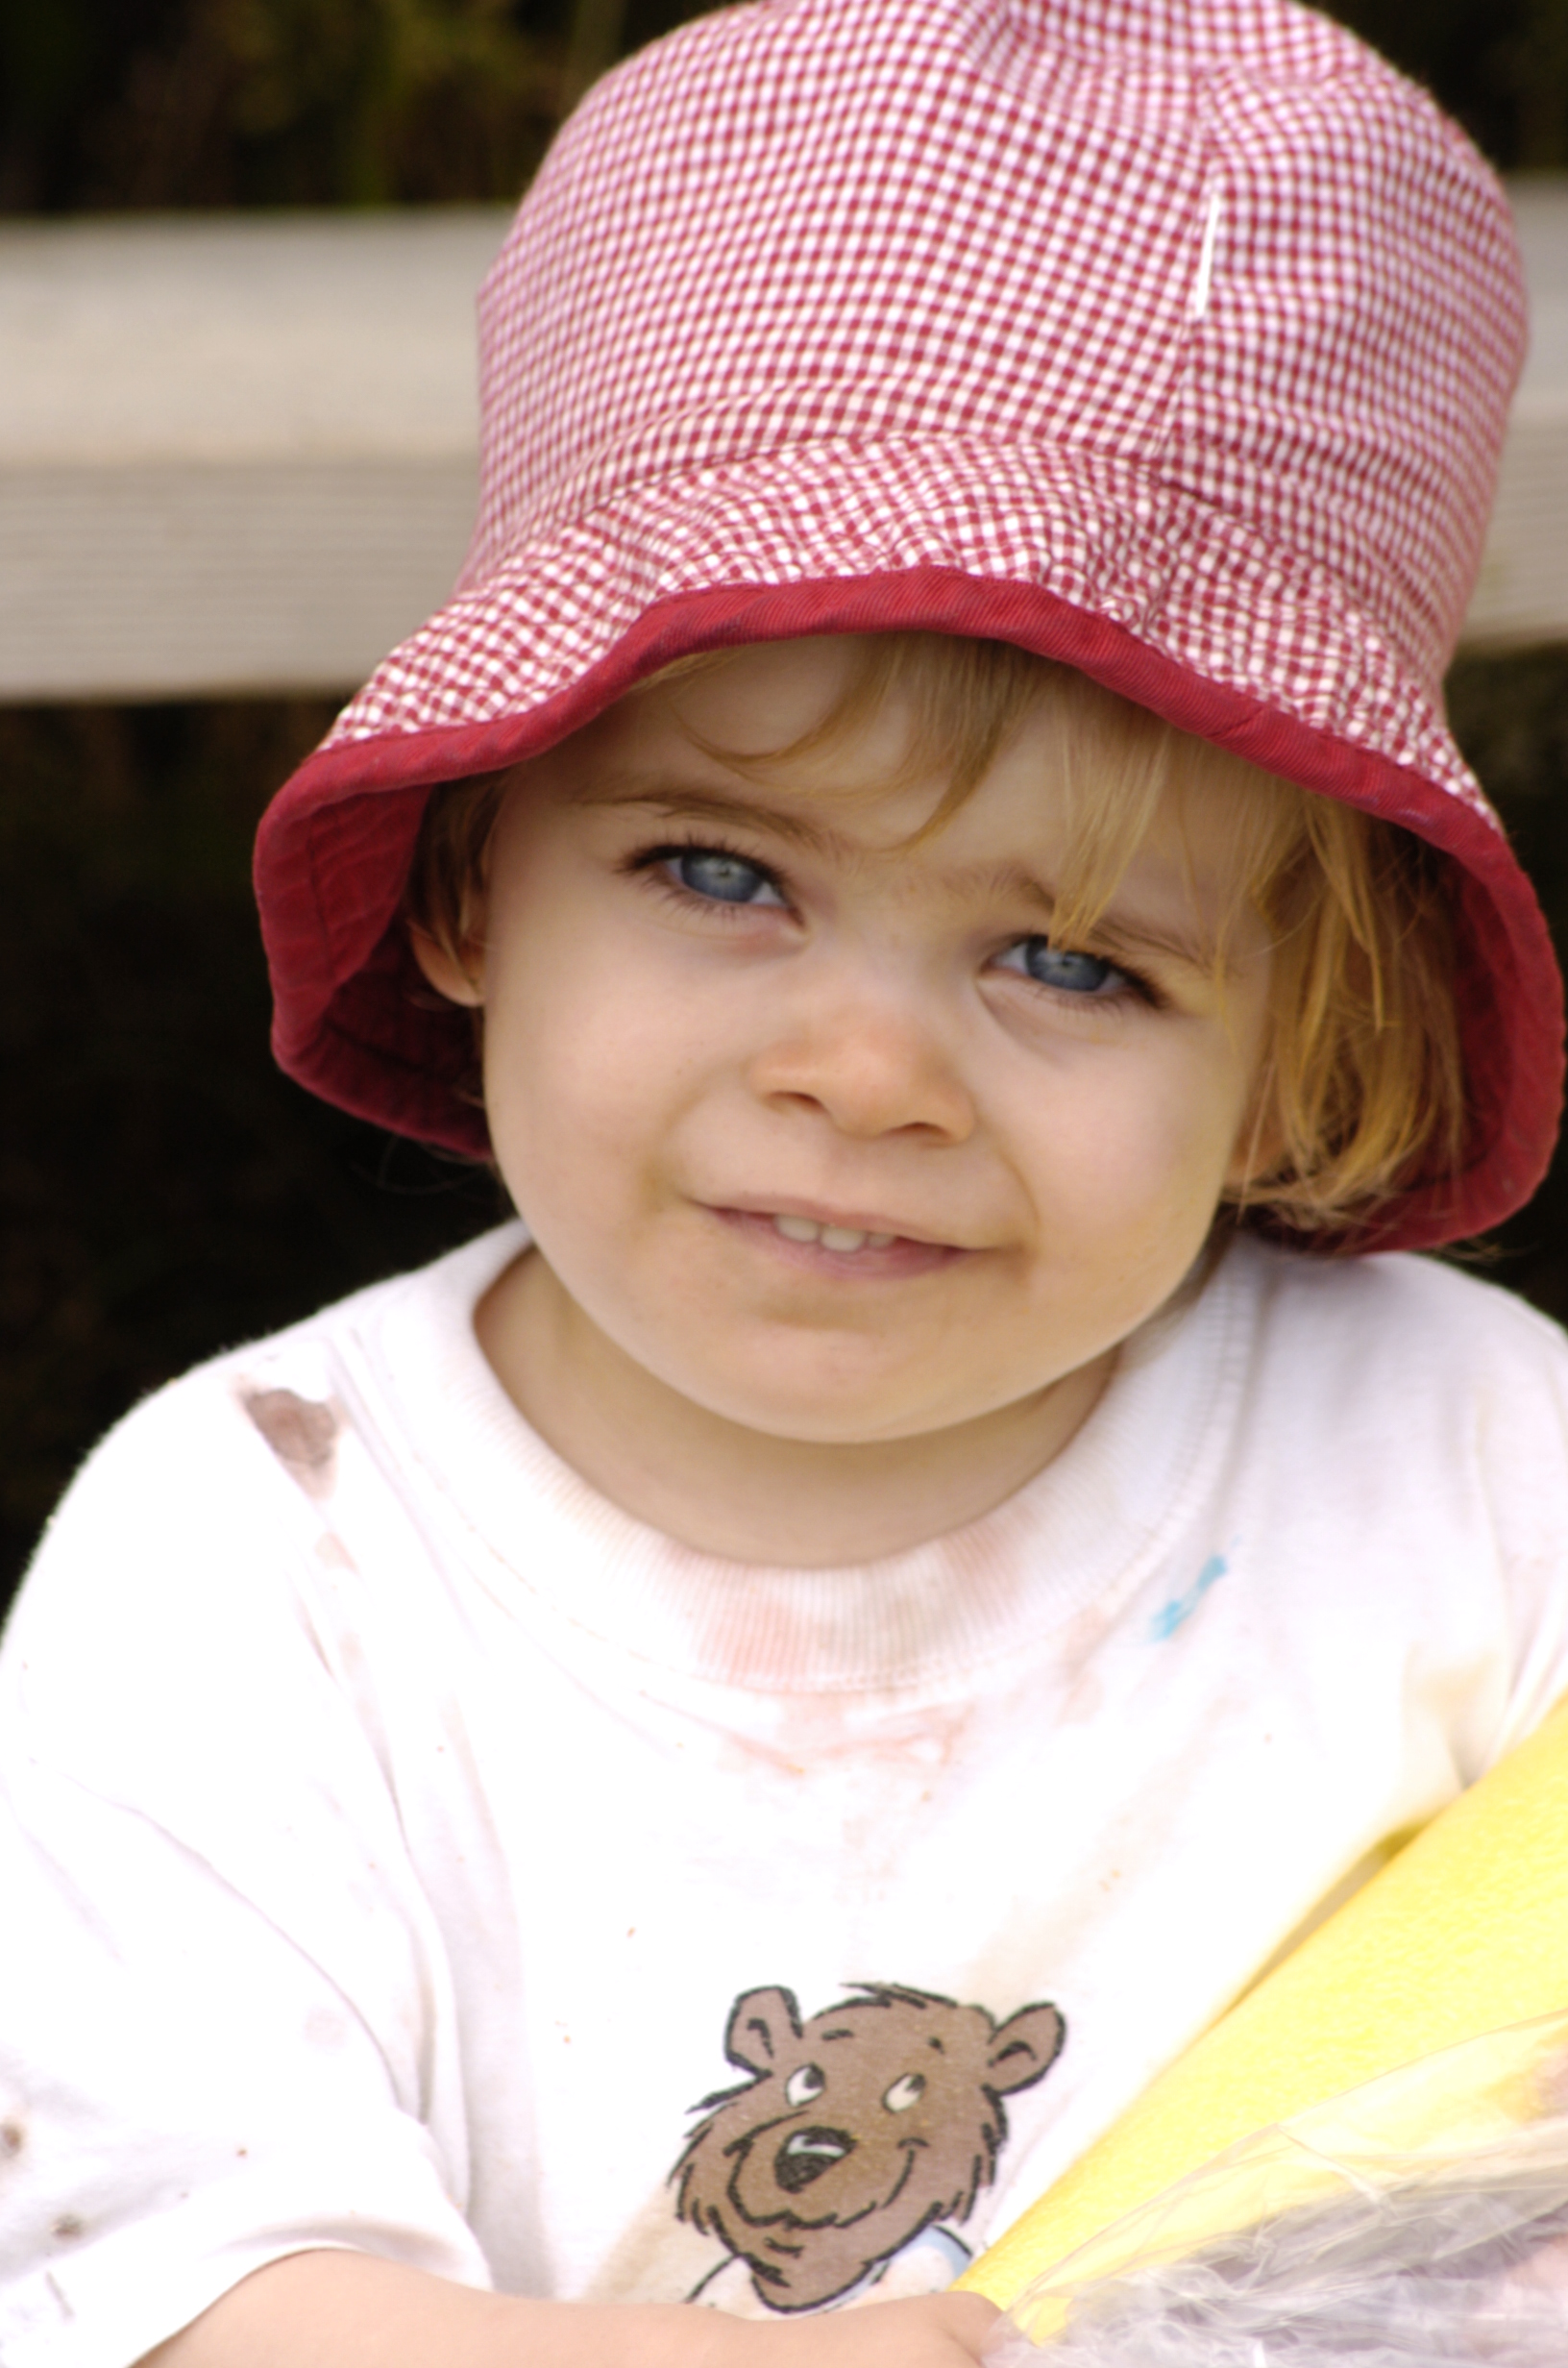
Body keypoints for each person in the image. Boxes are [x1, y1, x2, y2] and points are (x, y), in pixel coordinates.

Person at [3, 0, 1567, 2362]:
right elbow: (190, 2292)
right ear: (470, 873)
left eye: (1073, 957)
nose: (866, 1072)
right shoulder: (258, 1559)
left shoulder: (1468, 1465)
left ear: (1296, 1056)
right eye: (723, 872)